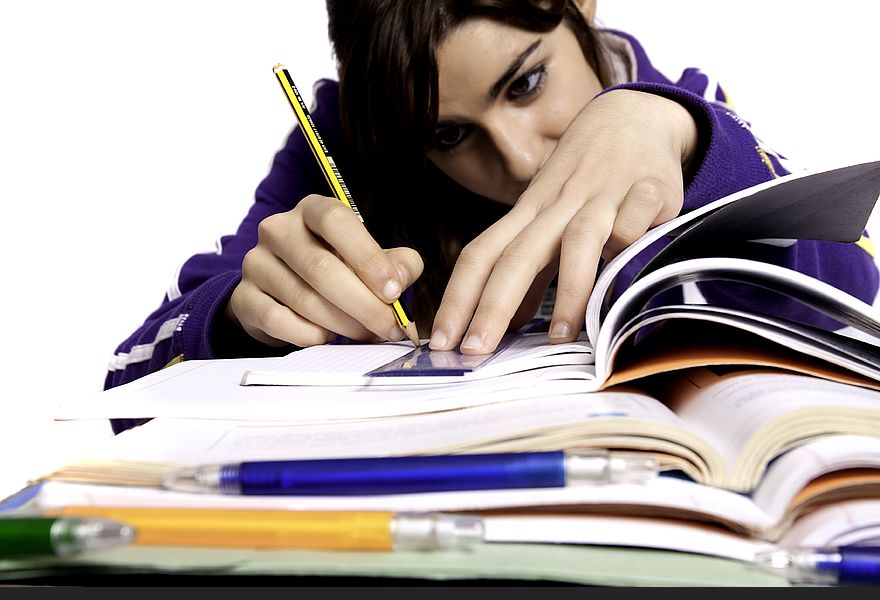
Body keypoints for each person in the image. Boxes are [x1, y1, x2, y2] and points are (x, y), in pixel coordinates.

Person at [106, 0, 878, 430]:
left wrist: (678, 134)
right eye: (448, 135)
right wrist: (240, 317)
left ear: (579, 6)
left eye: (528, 82)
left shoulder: (688, 121)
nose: (514, 159)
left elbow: (853, 295)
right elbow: (121, 393)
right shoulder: (349, 145)